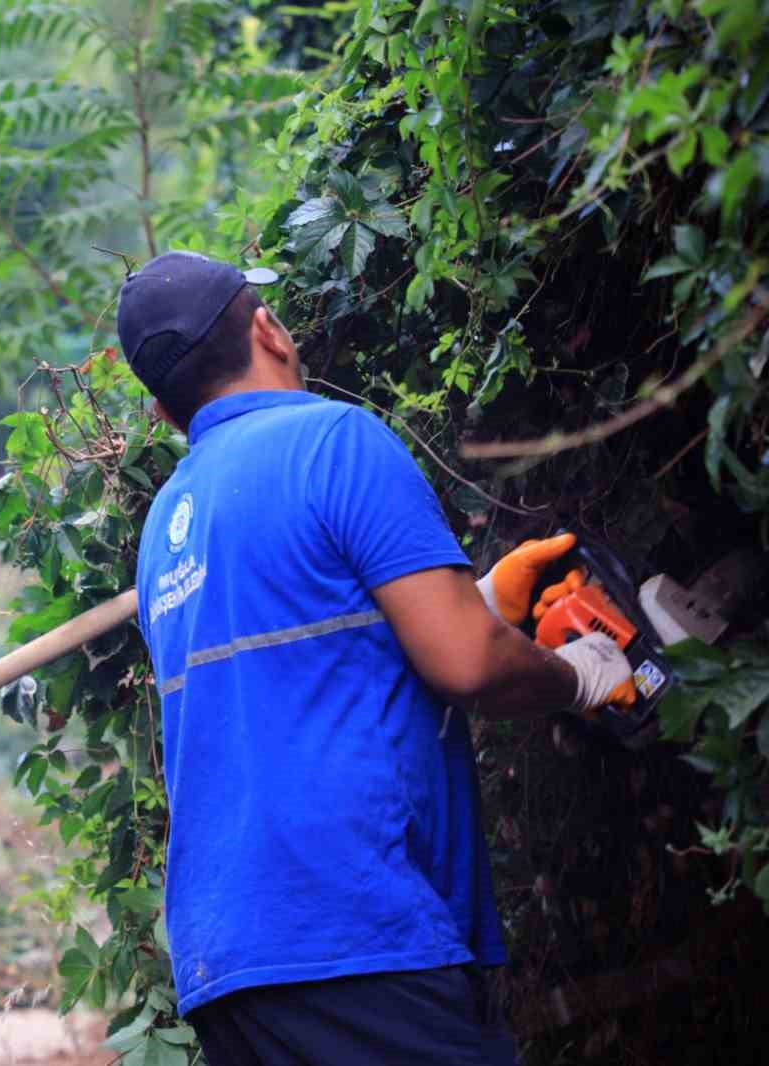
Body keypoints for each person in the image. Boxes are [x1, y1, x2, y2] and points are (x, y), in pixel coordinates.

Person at [115, 252, 635, 1065]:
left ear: (161, 409)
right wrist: (581, 674)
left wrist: (484, 601)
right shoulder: (333, 441)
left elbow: (308, 670)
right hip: (359, 926)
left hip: (230, 965)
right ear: (269, 330)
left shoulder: (164, 526)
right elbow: (466, 667)